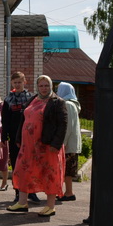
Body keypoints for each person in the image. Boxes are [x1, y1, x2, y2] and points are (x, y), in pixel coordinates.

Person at [8, 75, 67, 217]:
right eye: (41, 85)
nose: (44, 88)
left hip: (47, 146)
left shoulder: (57, 102)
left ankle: (50, 206)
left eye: (46, 85)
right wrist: (18, 138)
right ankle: (22, 203)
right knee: (23, 171)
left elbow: (63, 125)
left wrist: (56, 144)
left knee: (49, 174)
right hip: (28, 146)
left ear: (51, 86)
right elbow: (23, 119)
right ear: (37, 86)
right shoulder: (33, 99)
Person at [2, 72, 38, 203]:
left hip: (28, 137)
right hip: (13, 137)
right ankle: (18, 192)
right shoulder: (8, 100)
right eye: (15, 82)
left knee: (30, 165)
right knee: (17, 166)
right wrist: (3, 138)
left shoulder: (31, 98)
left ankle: (32, 192)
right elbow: (5, 120)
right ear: (12, 83)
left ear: (25, 82)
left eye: (19, 82)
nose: (17, 85)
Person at [56, 82, 82, 202]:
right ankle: (65, 192)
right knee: (66, 169)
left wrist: (63, 142)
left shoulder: (68, 104)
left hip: (68, 143)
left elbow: (68, 126)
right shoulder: (72, 103)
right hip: (71, 143)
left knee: (67, 169)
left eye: (59, 90)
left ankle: (69, 192)